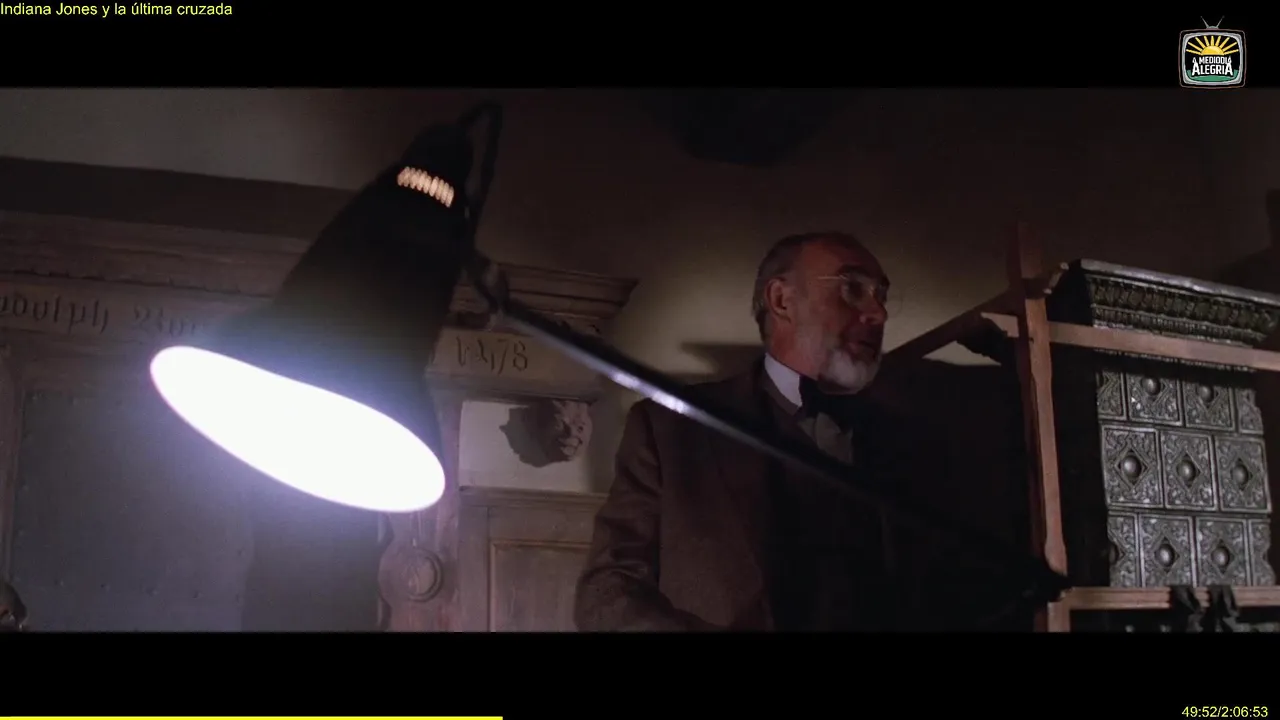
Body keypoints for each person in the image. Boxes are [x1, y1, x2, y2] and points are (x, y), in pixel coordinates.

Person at [575, 231, 933, 632]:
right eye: (852, 289)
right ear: (781, 300)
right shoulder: (672, 429)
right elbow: (608, 590)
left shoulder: (910, 440)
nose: (878, 313)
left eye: (881, 295)